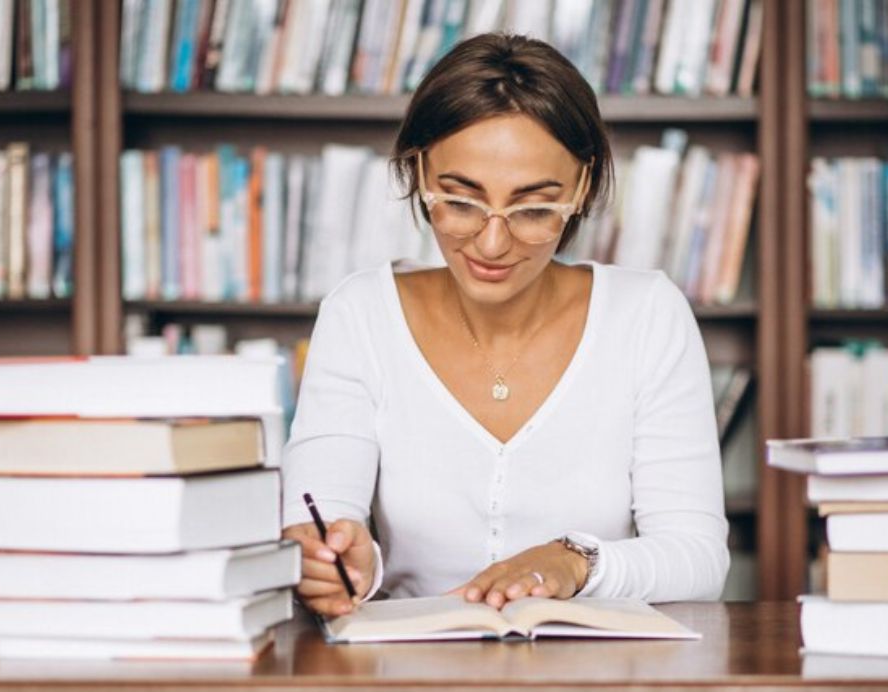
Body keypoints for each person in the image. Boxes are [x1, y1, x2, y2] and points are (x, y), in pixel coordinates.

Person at [282, 32, 728, 618]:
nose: (492, 243)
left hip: (598, 689)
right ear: (418, 171)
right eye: (460, 200)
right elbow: (321, 520)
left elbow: (699, 559)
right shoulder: (361, 314)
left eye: (533, 209)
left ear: (582, 187)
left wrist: (576, 562)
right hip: (407, 684)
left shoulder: (647, 316)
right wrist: (338, 565)